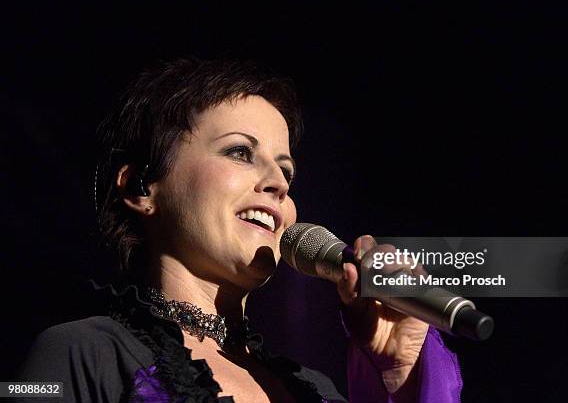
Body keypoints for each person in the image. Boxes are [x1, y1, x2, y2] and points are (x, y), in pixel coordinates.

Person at [15, 58, 462, 402]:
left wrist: (399, 377)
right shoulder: (81, 352)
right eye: (240, 153)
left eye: (286, 171)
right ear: (141, 187)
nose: (279, 184)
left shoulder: (316, 391)